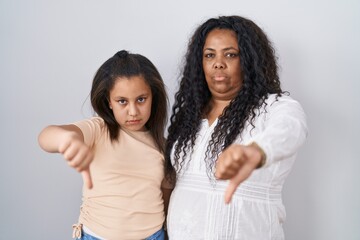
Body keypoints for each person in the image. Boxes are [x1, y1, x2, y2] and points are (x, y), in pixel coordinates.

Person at [164, 15, 308, 239]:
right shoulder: (189, 116)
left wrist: (256, 151)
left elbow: (290, 130)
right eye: (209, 55)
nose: (218, 63)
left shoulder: (274, 107)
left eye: (230, 54)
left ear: (249, 60)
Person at [38, 50, 171, 240]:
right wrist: (65, 140)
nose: (133, 111)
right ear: (109, 102)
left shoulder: (163, 146)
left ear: (153, 97)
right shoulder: (99, 130)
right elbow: (46, 136)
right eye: (122, 101)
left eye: (141, 99)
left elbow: (166, 202)